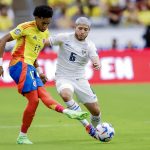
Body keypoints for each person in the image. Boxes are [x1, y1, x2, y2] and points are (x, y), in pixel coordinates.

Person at [0, 6, 88, 145]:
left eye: (48, 23)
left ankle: (67, 112)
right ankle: (22, 136)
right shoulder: (25, 27)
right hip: (19, 64)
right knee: (34, 101)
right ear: (37, 18)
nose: (45, 26)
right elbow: (3, 39)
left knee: (44, 95)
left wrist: (40, 71)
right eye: (44, 23)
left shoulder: (45, 33)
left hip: (30, 67)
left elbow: (33, 55)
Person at [44, 17, 101, 139]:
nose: (82, 31)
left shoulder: (89, 45)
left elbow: (95, 57)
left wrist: (97, 63)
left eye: (85, 29)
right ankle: (86, 125)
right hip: (63, 77)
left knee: (96, 112)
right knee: (65, 95)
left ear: (89, 31)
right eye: (80, 28)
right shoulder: (64, 37)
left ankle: (97, 130)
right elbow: (45, 42)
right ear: (75, 27)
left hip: (80, 80)